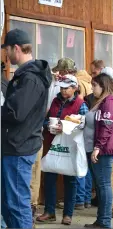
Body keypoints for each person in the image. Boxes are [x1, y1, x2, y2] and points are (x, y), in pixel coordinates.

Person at [1, 28, 52, 229]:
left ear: (16, 48)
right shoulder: (28, 75)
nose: (5, 55)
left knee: (17, 203)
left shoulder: (30, 78)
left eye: (6, 50)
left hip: (19, 147)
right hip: (17, 145)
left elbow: (16, 113)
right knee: (8, 203)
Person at [36, 75, 89, 225]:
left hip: (69, 144)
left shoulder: (80, 104)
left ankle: (68, 214)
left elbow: (83, 124)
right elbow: (46, 119)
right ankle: (49, 211)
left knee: (70, 180)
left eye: (66, 88)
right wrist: (49, 125)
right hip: (52, 143)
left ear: (74, 88)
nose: (63, 91)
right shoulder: (55, 100)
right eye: (62, 88)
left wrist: (65, 127)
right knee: (49, 178)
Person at [84, 73, 113, 228]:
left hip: (104, 150)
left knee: (104, 184)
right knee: (101, 185)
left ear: (103, 85)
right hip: (102, 148)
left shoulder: (109, 103)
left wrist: (97, 147)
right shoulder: (103, 101)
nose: (92, 88)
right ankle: (101, 220)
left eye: (94, 85)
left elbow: (106, 127)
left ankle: (105, 221)